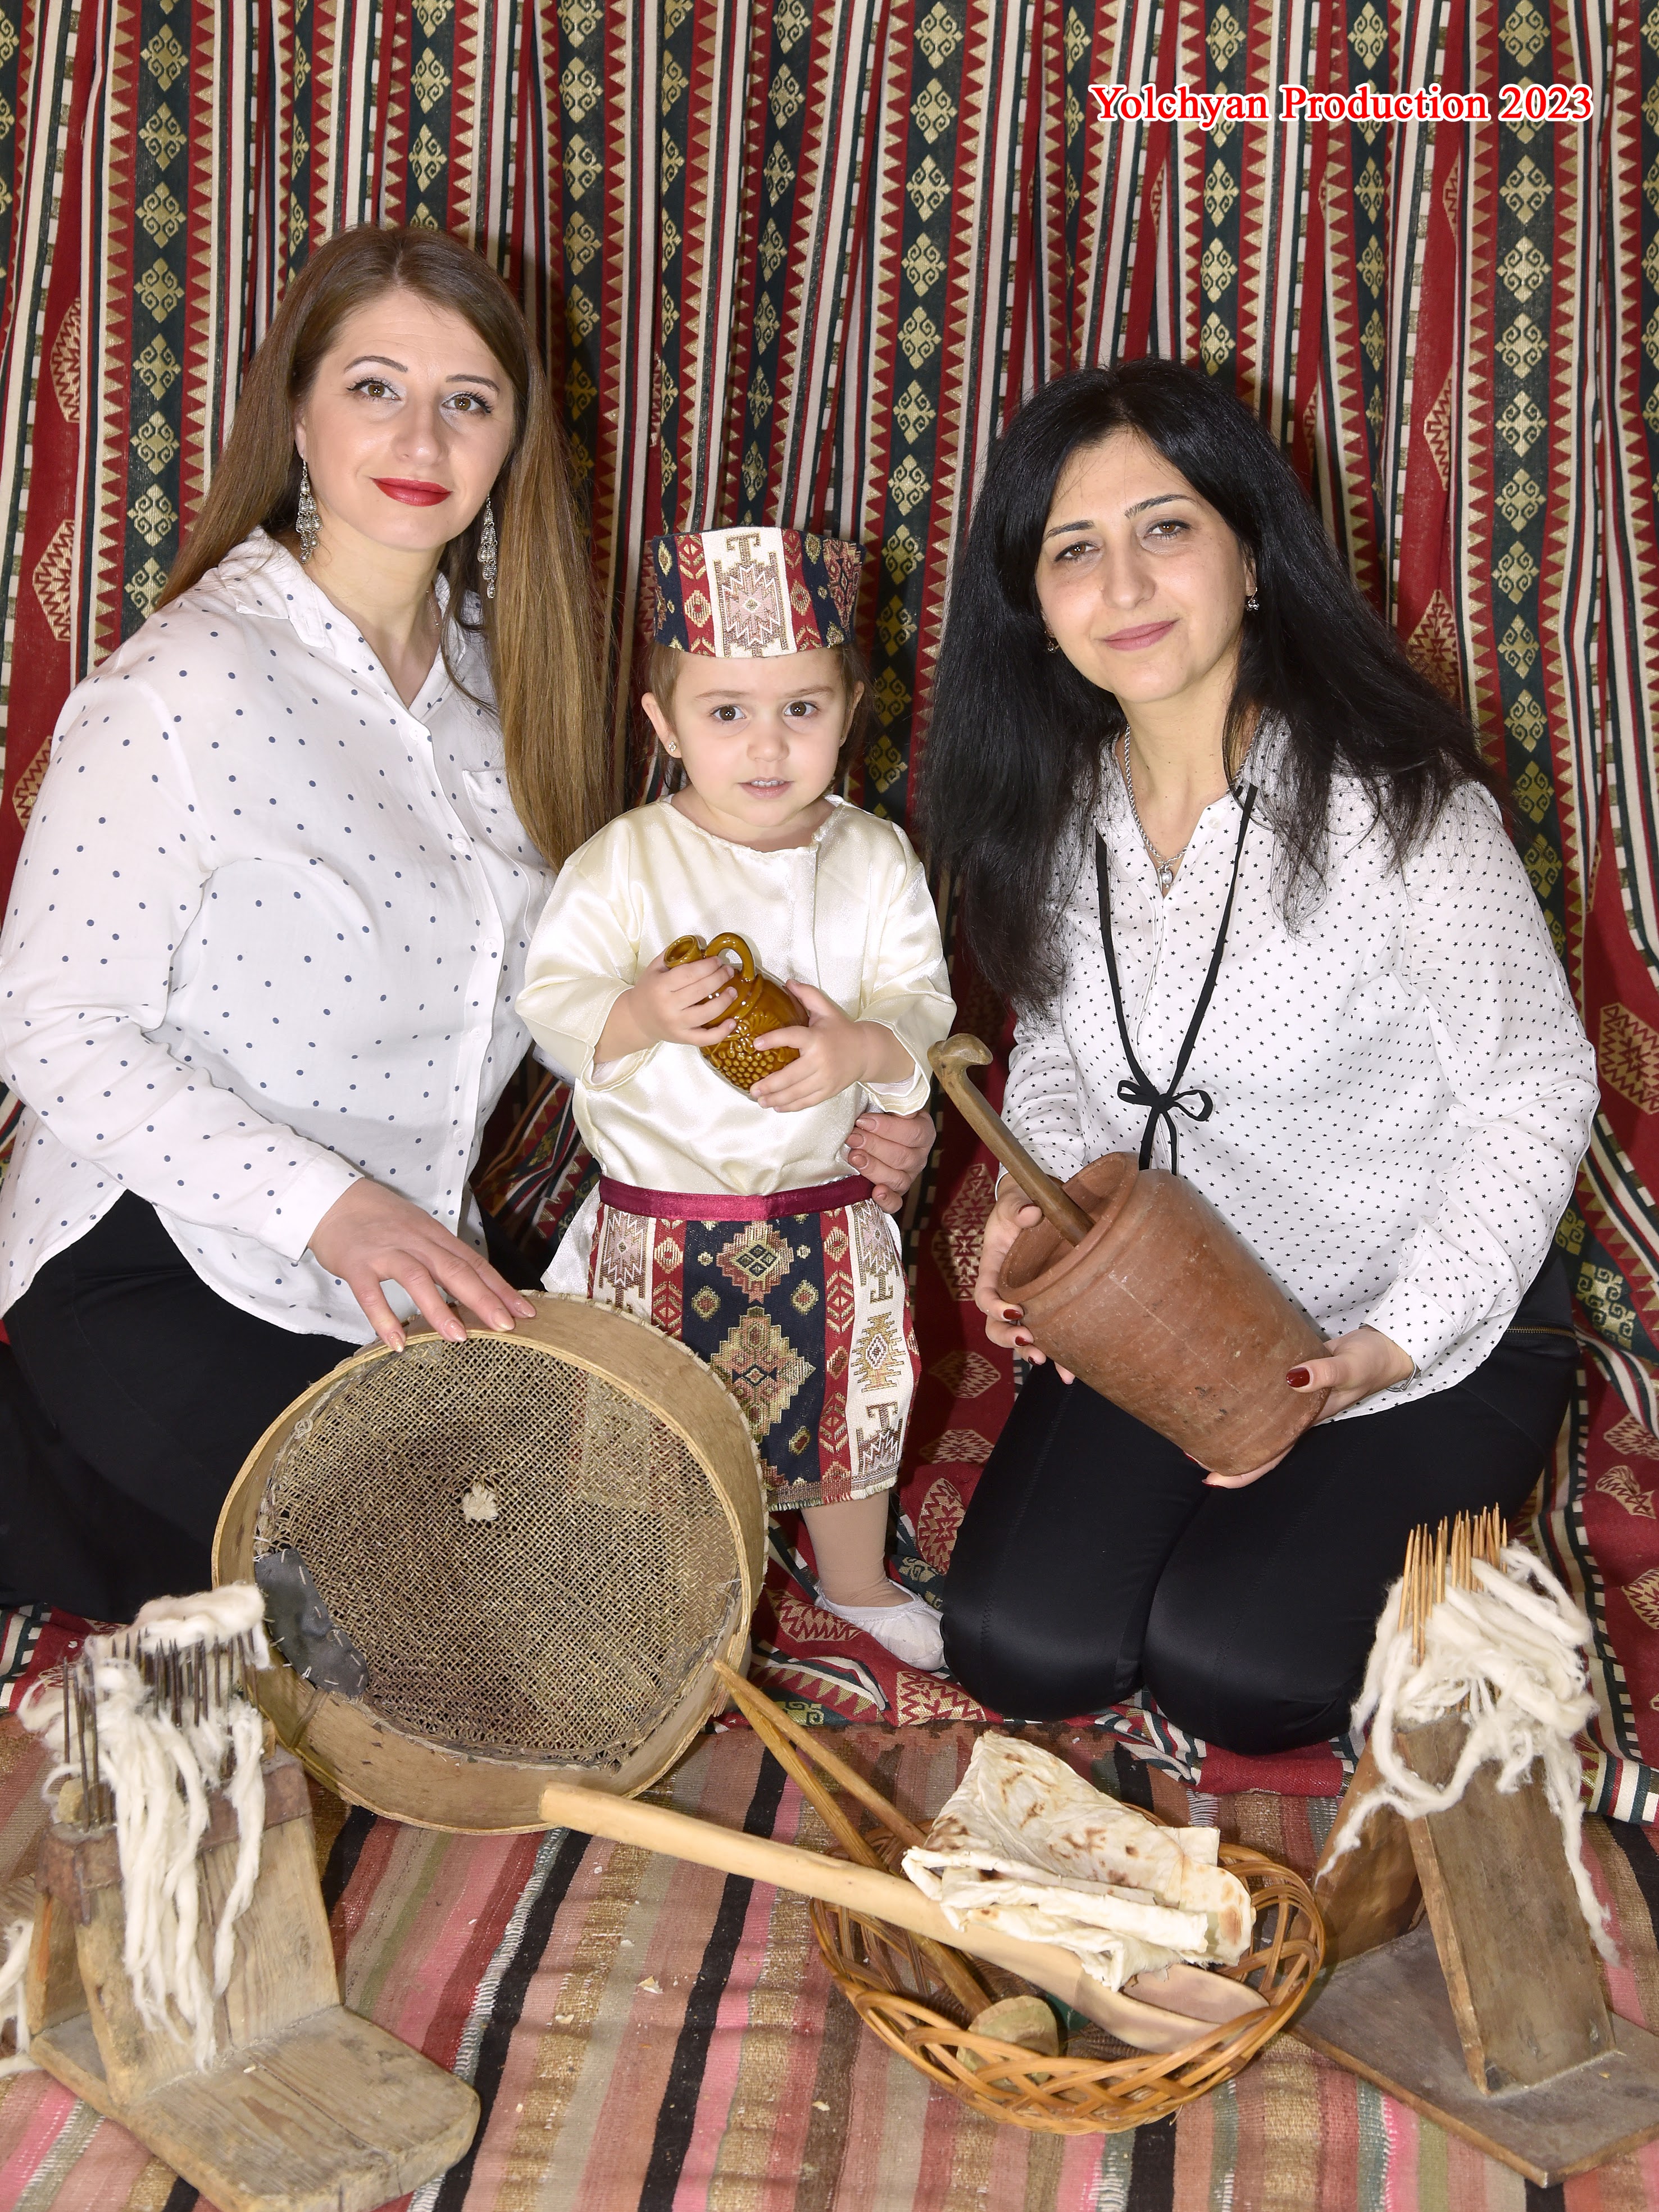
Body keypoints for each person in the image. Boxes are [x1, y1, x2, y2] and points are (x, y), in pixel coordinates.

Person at [0, 224, 939, 1623]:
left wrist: (838, 1098)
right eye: (375, 386)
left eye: (468, 400)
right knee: (470, 1626)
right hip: (166, 1257)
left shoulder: (507, 692)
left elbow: (591, 1007)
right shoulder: (181, 684)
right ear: (298, 417)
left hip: (414, 1292)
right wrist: (333, 1209)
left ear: (511, 441)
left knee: (620, 1583)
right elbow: (51, 1028)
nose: (421, 437)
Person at [923, 360, 1598, 1755]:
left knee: (1232, 1672)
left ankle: (1450, 1501)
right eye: (1072, 549)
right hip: (1168, 1321)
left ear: (1251, 557)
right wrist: (1037, 1210)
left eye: (1165, 527)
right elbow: (1050, 1055)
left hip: (1407, 1328)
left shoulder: (1403, 813)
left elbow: (1533, 1091)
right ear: (1034, 606)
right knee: (1018, 1646)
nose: (1123, 583)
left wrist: (1389, 1344)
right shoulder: (1049, 819)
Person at [519, 528, 955, 1670]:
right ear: (663, 724)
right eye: (725, 712)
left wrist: (864, 1046)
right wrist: (638, 1015)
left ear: (849, 710)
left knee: (848, 1410)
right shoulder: (622, 863)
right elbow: (552, 1002)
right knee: (649, 1431)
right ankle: (659, 1595)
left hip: (828, 1210)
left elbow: (921, 1002)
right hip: (659, 1220)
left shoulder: (877, 859)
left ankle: (854, 1581)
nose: (767, 744)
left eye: (802, 708)